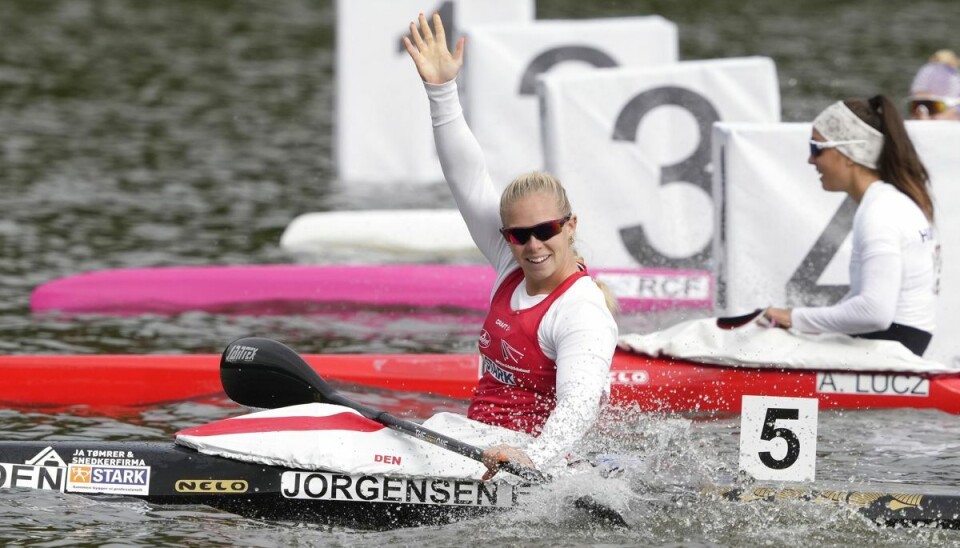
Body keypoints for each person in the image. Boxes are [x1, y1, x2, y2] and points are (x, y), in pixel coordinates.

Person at [402, 13, 619, 480]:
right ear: (507, 238)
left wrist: (533, 459)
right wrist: (441, 92)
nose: (534, 245)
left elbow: (578, 406)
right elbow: (468, 180)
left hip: (528, 467)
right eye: (519, 235)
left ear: (570, 226)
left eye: (546, 230)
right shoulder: (510, 262)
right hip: (476, 446)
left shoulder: (580, 310)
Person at [764, 96, 938, 356]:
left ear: (849, 153)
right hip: (898, 343)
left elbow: (874, 313)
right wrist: (801, 323)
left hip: (888, 348)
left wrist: (793, 317)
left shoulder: (881, 212)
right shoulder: (890, 201)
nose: (811, 160)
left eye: (816, 148)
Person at [907, 49, 960, 121]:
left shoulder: (925, 69)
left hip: (928, 105)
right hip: (942, 107)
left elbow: (918, 93)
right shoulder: (953, 74)